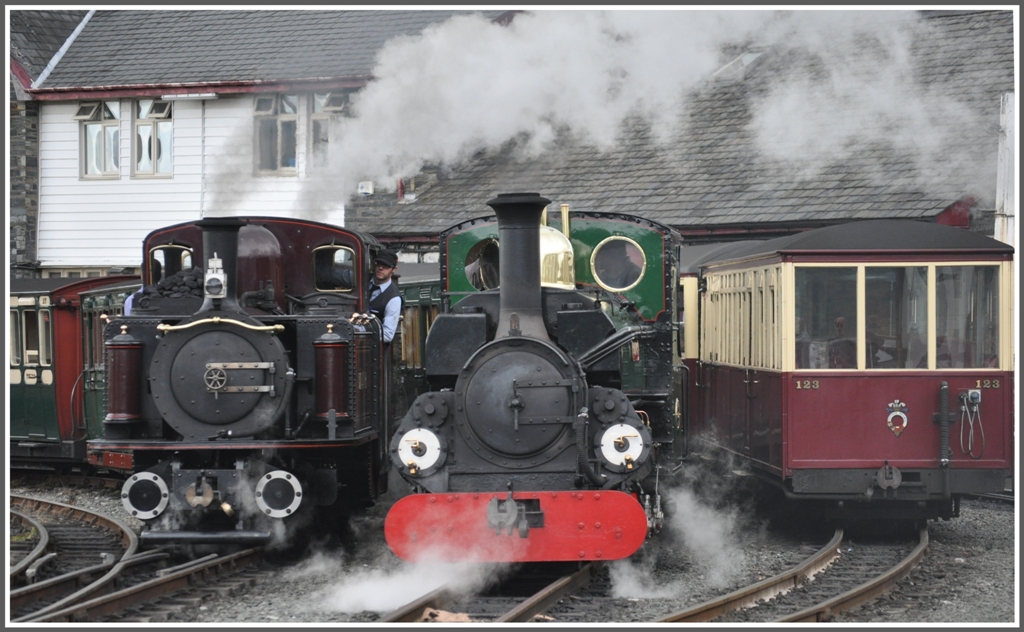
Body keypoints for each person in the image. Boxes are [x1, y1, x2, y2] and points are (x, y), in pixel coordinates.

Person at [368, 249, 402, 344]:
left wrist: (361, 334)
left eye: (386, 266)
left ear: (394, 269)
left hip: (373, 351)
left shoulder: (394, 298)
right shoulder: (362, 279)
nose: (381, 268)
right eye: (378, 263)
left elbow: (387, 335)